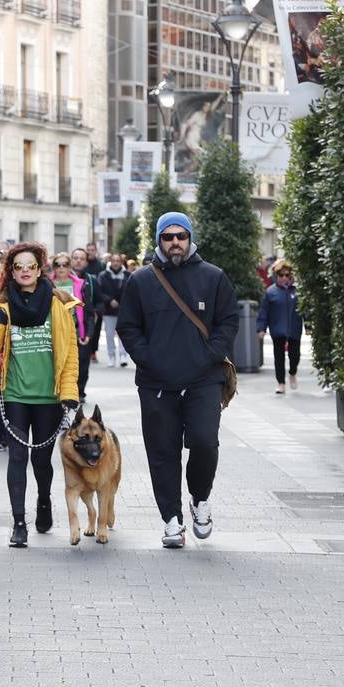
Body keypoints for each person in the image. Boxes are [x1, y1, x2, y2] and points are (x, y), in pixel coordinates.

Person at [117, 212, 239, 549]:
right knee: (162, 451)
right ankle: (171, 520)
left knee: (204, 442)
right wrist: (149, 359)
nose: (174, 242)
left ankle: (200, 499)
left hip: (203, 379)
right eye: (167, 236)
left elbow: (228, 321)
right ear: (158, 240)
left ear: (189, 239)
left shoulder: (213, 277)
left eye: (180, 236)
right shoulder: (141, 280)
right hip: (156, 383)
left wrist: (210, 355)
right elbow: (127, 327)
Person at [0, 243, 80, 547]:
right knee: (17, 456)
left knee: (42, 460)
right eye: (18, 266)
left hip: (48, 397)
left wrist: (70, 394)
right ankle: (18, 523)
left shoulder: (58, 305)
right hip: (15, 394)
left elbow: (70, 355)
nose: (25, 271)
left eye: (31, 266)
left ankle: (43, 500)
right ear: (10, 272)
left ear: (40, 270)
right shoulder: (3, 307)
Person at [256, 258, 302, 395]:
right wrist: (261, 328)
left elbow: (304, 309)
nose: (284, 278)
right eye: (281, 275)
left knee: (295, 355)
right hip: (277, 329)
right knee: (279, 357)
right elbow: (264, 311)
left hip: (294, 328)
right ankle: (281, 383)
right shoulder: (271, 292)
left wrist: (310, 325)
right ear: (277, 276)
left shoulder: (297, 292)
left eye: (287, 275)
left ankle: (292, 372)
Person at [53, 251, 92, 400]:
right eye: (58, 264)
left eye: (65, 264)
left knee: (80, 365)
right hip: (55, 332)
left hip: (77, 331)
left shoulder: (80, 284)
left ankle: (79, 392)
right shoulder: (46, 283)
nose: (61, 268)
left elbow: (89, 310)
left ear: (70, 267)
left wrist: (88, 333)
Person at [96, 254, 130, 368]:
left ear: (121, 262)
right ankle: (111, 356)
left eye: (118, 261)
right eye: (114, 261)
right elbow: (99, 292)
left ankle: (122, 356)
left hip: (123, 310)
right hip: (108, 310)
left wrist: (122, 302)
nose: (115, 263)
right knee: (109, 335)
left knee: (123, 334)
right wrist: (109, 300)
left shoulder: (127, 275)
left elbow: (131, 291)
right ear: (110, 261)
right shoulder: (103, 275)